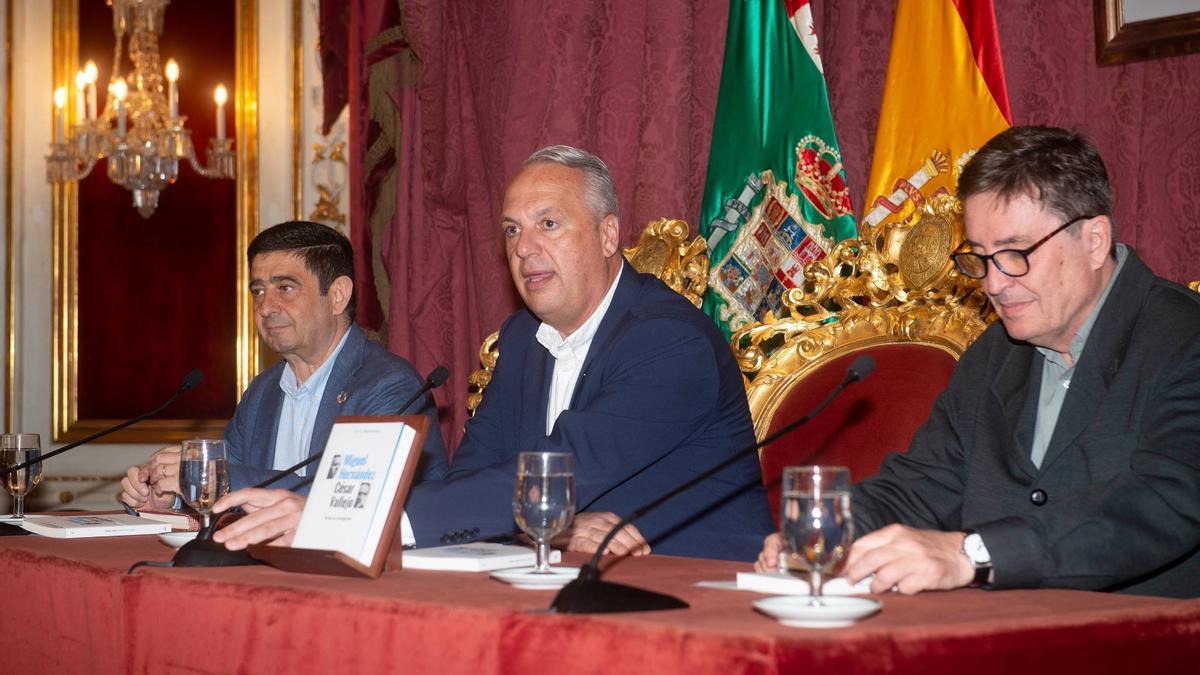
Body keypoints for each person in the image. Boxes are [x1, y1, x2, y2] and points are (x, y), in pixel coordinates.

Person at [211, 146, 774, 561]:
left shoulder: (669, 341)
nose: (524, 248)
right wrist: (554, 522)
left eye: (548, 224)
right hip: (565, 580)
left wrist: (347, 521)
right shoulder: (524, 340)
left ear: (608, 237)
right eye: (511, 231)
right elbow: (479, 476)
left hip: (697, 588)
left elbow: (562, 473)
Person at [756, 125, 1200, 598]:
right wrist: (828, 534)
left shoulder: (1183, 339)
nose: (993, 284)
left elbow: (1160, 503)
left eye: (1014, 254)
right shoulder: (995, 352)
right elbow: (921, 488)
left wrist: (974, 554)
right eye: (982, 258)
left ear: (1094, 241)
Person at [120, 221, 447, 510]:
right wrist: (176, 498)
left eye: (285, 288)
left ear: (337, 295)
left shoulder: (391, 386)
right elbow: (228, 496)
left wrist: (218, 476)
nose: (265, 307)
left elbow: (349, 503)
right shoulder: (262, 392)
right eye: (258, 291)